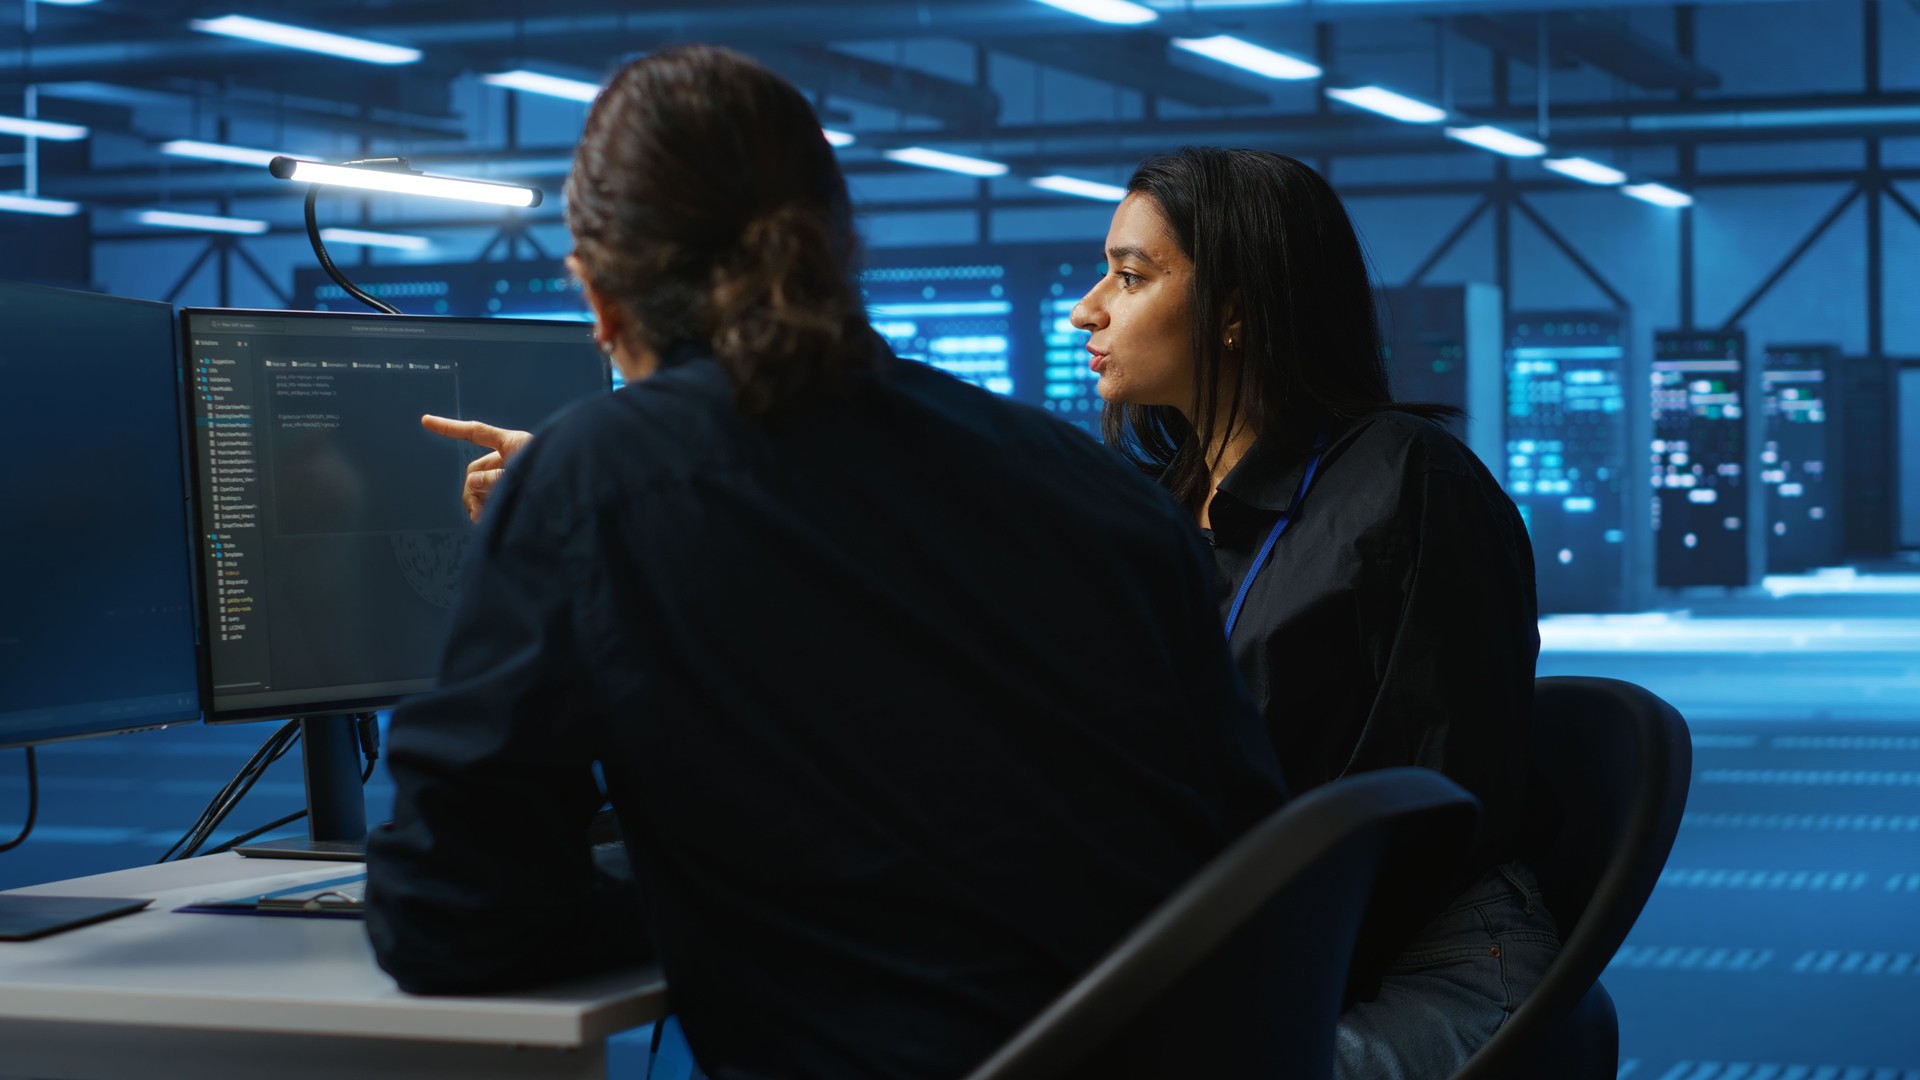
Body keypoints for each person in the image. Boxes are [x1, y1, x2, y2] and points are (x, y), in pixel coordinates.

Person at [363, 47, 1289, 1079]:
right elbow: (1246, 854)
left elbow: (444, 915)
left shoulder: (594, 483)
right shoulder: (1093, 485)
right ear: (839, 248)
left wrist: (676, 894)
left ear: (597, 293)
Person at [1069, 146, 1558, 1079]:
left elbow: (1430, 807)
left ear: (1240, 309)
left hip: (1420, 956)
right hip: (1245, 938)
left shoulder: (1408, 480)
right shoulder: (1158, 514)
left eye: (1130, 276)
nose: (1088, 308)